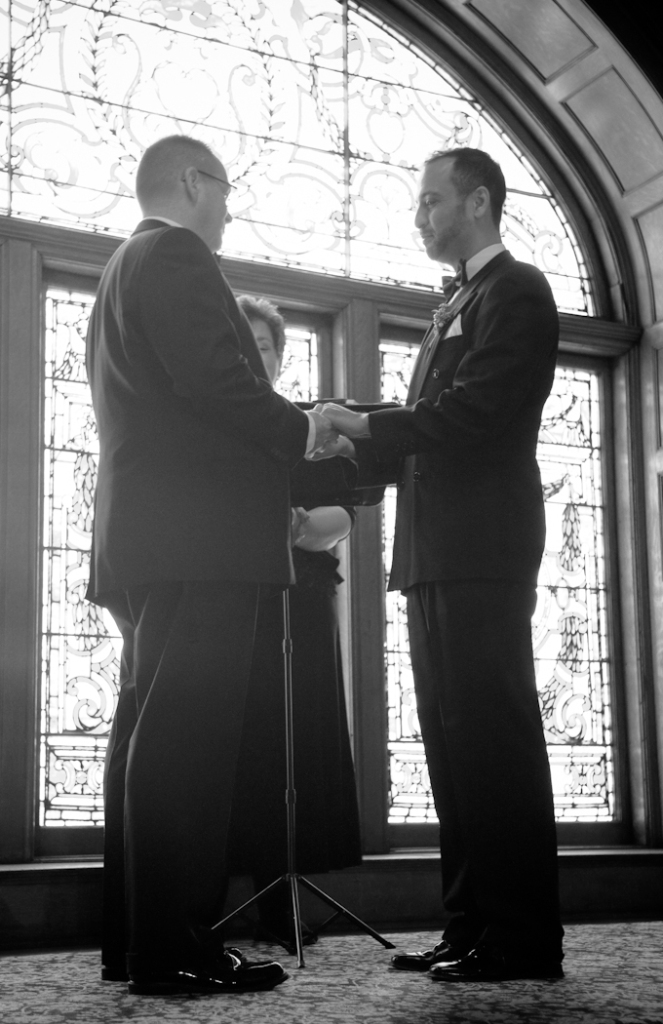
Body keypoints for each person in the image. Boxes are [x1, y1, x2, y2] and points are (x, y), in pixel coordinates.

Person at [87, 134, 340, 996]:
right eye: (226, 192)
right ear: (194, 182)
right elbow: (220, 386)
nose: (229, 210)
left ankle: (139, 939)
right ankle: (175, 947)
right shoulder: (177, 253)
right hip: (201, 541)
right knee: (187, 746)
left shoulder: (126, 264)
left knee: (149, 735)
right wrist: (304, 428)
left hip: (155, 542)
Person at [320, 147, 564, 982]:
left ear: (478, 202)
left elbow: (474, 414)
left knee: (494, 742)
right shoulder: (451, 302)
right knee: (451, 746)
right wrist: (346, 441)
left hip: (483, 550)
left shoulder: (516, 290)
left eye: (429, 201)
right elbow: (427, 428)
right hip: (429, 553)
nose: (418, 216)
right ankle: (468, 927)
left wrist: (368, 425)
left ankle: (523, 937)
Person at [228, 295, 362, 945]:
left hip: (304, 600)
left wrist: (300, 527)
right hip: (240, 600)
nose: (260, 352)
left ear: (281, 357)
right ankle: (233, 892)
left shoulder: (312, 430)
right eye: (247, 341)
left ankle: (287, 898)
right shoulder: (221, 428)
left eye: (268, 343)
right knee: (246, 744)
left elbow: (342, 517)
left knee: (299, 743)